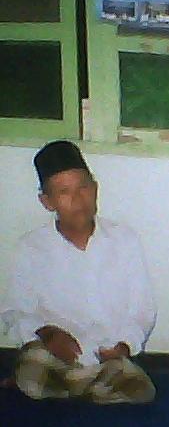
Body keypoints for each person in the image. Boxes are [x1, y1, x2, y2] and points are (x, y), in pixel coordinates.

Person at [1, 140, 157, 404]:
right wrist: (48, 334)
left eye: (83, 187)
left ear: (95, 189)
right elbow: (14, 311)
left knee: (141, 390)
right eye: (64, 192)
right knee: (34, 365)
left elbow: (142, 309)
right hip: (55, 356)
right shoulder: (31, 247)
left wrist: (123, 346)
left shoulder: (124, 240)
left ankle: (67, 387)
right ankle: (84, 388)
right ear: (47, 202)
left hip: (106, 357)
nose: (78, 199)